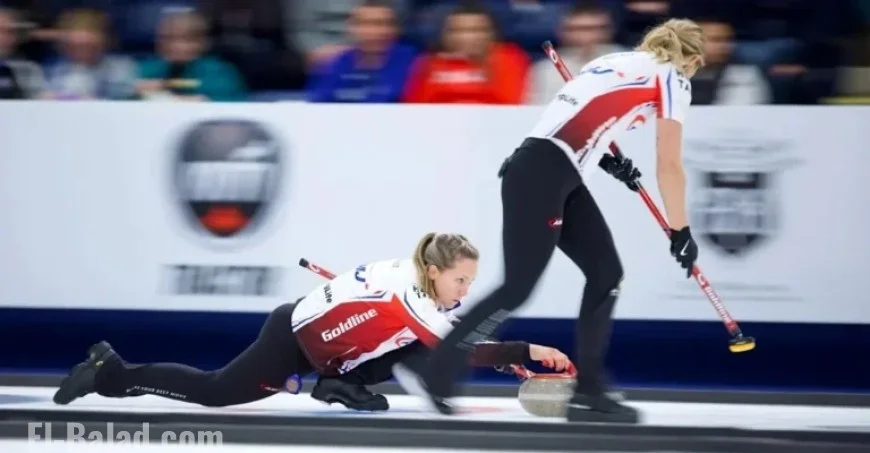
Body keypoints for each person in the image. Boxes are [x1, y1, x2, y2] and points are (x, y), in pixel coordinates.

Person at [392, 18, 706, 425]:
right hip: (547, 174)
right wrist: (680, 229)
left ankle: (589, 390)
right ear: (694, 58)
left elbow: (575, 119)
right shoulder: (674, 78)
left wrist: (609, 161)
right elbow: (669, 164)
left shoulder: (614, 61)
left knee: (606, 273)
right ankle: (434, 368)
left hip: (548, 168)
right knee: (517, 287)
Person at [52, 232, 573, 412]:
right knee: (214, 392)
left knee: (413, 350)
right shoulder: (409, 295)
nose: (466, 291)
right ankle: (110, 373)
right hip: (295, 341)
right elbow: (457, 346)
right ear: (435, 272)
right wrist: (524, 352)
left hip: (333, 345)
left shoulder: (418, 279)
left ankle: (336, 383)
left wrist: (506, 361)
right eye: (461, 281)